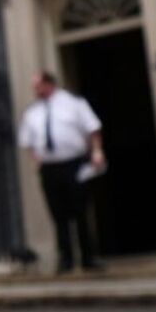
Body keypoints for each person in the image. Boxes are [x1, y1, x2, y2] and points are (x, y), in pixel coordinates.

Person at [17, 71, 106, 273]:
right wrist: (36, 161)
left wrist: (97, 151)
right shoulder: (32, 112)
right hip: (49, 169)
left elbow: (93, 128)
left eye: (37, 85)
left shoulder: (74, 104)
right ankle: (66, 259)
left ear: (49, 84)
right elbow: (27, 142)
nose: (35, 90)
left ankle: (88, 257)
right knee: (58, 214)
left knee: (80, 211)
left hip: (74, 164)